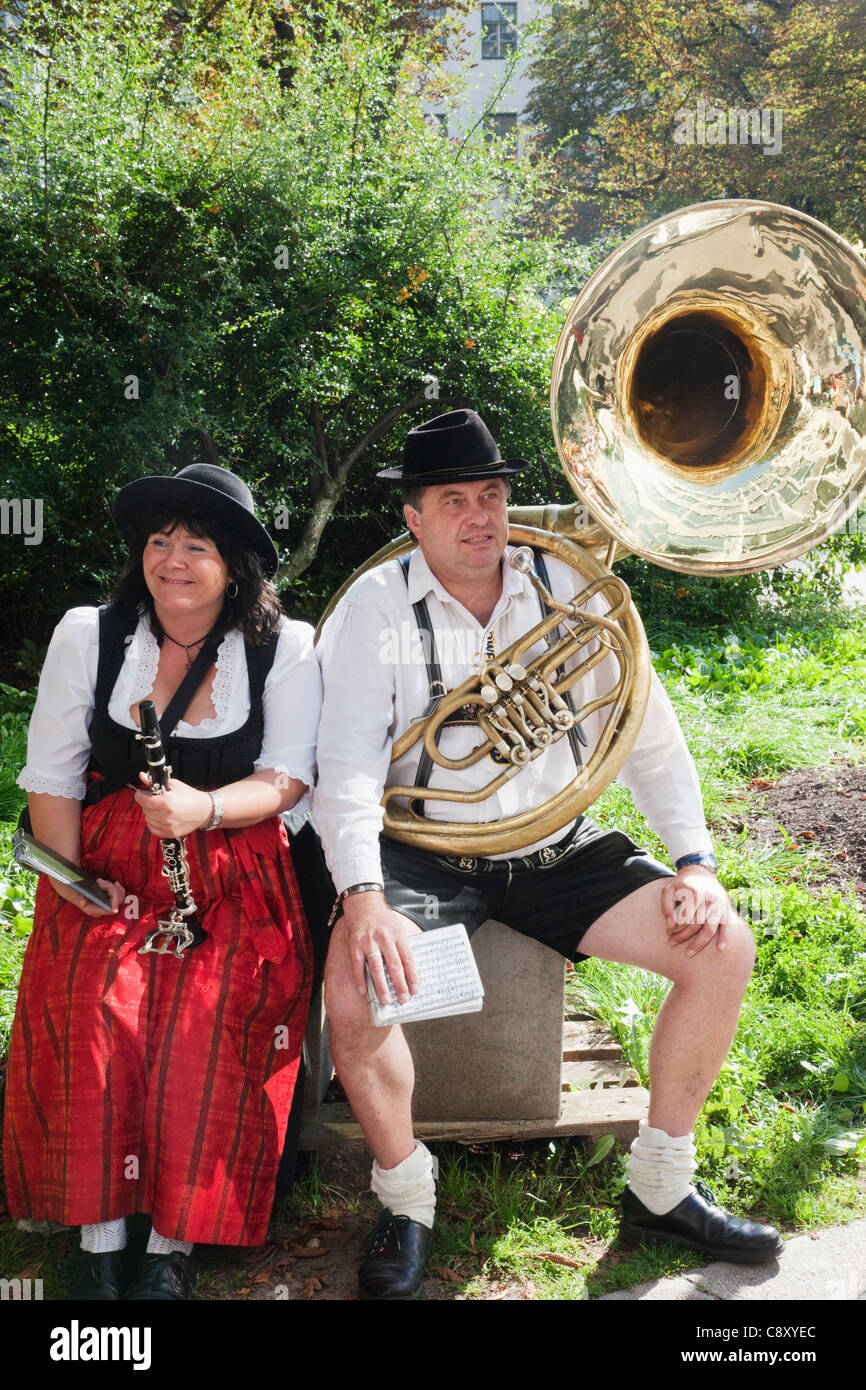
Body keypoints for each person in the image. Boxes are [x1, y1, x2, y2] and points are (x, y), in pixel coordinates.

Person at [314, 408, 783, 1301]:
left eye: (491, 493)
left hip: (553, 847)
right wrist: (365, 895)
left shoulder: (570, 583)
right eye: (454, 500)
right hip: (424, 851)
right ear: (412, 517)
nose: (481, 515)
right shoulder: (375, 608)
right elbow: (342, 767)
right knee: (354, 981)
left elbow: (650, 739)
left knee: (725, 948)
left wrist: (695, 863)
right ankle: (407, 1201)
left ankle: (661, 1184)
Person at [4, 462, 321, 1301]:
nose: (172, 559)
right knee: (94, 1000)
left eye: (196, 545)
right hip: (105, 860)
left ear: (236, 567)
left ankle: (173, 1245)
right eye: (159, 541)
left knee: (204, 1017)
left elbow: (288, 778)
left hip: (233, 862)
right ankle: (101, 1238)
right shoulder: (91, 633)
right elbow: (52, 774)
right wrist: (75, 887)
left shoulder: (285, 645)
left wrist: (203, 808)